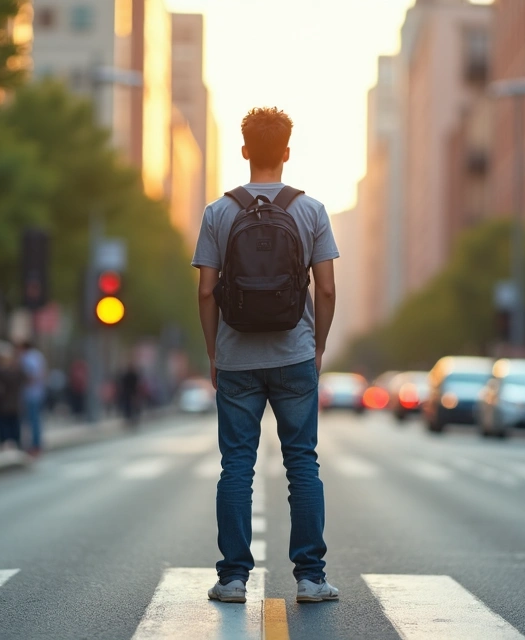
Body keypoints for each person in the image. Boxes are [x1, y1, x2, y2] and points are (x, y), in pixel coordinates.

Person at [192, 107, 340, 604]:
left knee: (237, 464)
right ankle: (311, 579)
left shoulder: (218, 212)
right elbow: (327, 289)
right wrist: (316, 345)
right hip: (295, 353)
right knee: (303, 463)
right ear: (287, 153)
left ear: (245, 151)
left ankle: (233, 578)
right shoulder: (311, 211)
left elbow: (206, 292)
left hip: (237, 358)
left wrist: (215, 351)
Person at [0, 342, 24, 450]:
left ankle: (5, 442)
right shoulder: (17, 371)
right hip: (13, 403)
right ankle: (16, 443)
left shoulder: (1, 372)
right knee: (13, 424)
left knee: (5, 424)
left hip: (5, 403)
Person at [19, 341, 46, 455]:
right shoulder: (38, 356)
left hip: (30, 394)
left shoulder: (27, 358)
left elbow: (32, 375)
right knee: (36, 420)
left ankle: (34, 445)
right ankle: (36, 444)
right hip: (38, 392)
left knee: (32, 420)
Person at [117, 362, 144, 428]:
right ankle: (131, 418)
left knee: (132, 406)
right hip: (130, 393)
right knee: (130, 406)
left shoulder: (131, 375)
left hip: (130, 393)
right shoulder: (130, 375)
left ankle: (132, 418)